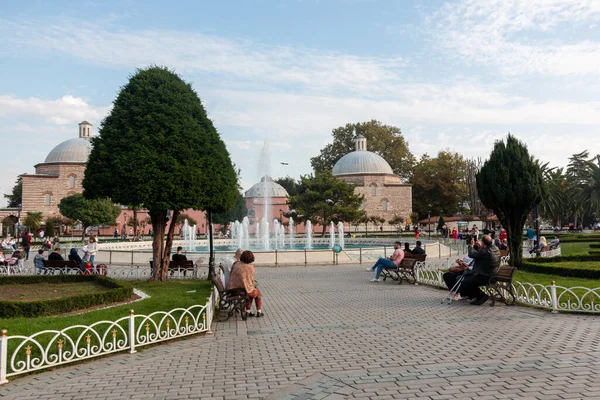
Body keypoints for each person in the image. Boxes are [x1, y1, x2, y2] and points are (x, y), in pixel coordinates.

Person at [459, 235, 500, 305]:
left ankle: (481, 296)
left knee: (466, 281)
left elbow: (471, 254)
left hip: (486, 276)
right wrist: (481, 246)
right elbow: (482, 254)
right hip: (493, 275)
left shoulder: (486, 252)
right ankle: (479, 297)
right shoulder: (495, 248)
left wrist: (471, 245)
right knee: (468, 279)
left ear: (484, 243)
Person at [226, 250, 263, 317]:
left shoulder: (236, 264)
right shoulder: (249, 268)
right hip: (240, 291)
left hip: (231, 289)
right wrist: (254, 285)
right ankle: (259, 312)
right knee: (257, 293)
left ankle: (248, 312)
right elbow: (250, 282)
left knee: (251, 292)